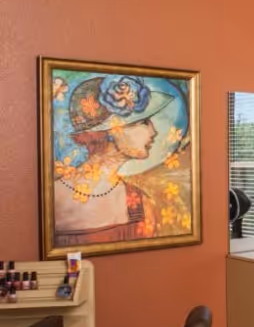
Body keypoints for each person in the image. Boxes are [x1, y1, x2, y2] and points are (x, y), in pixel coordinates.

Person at [53, 75, 181, 246]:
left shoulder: (139, 203)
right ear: (111, 130)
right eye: (144, 122)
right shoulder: (54, 197)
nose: (153, 131)